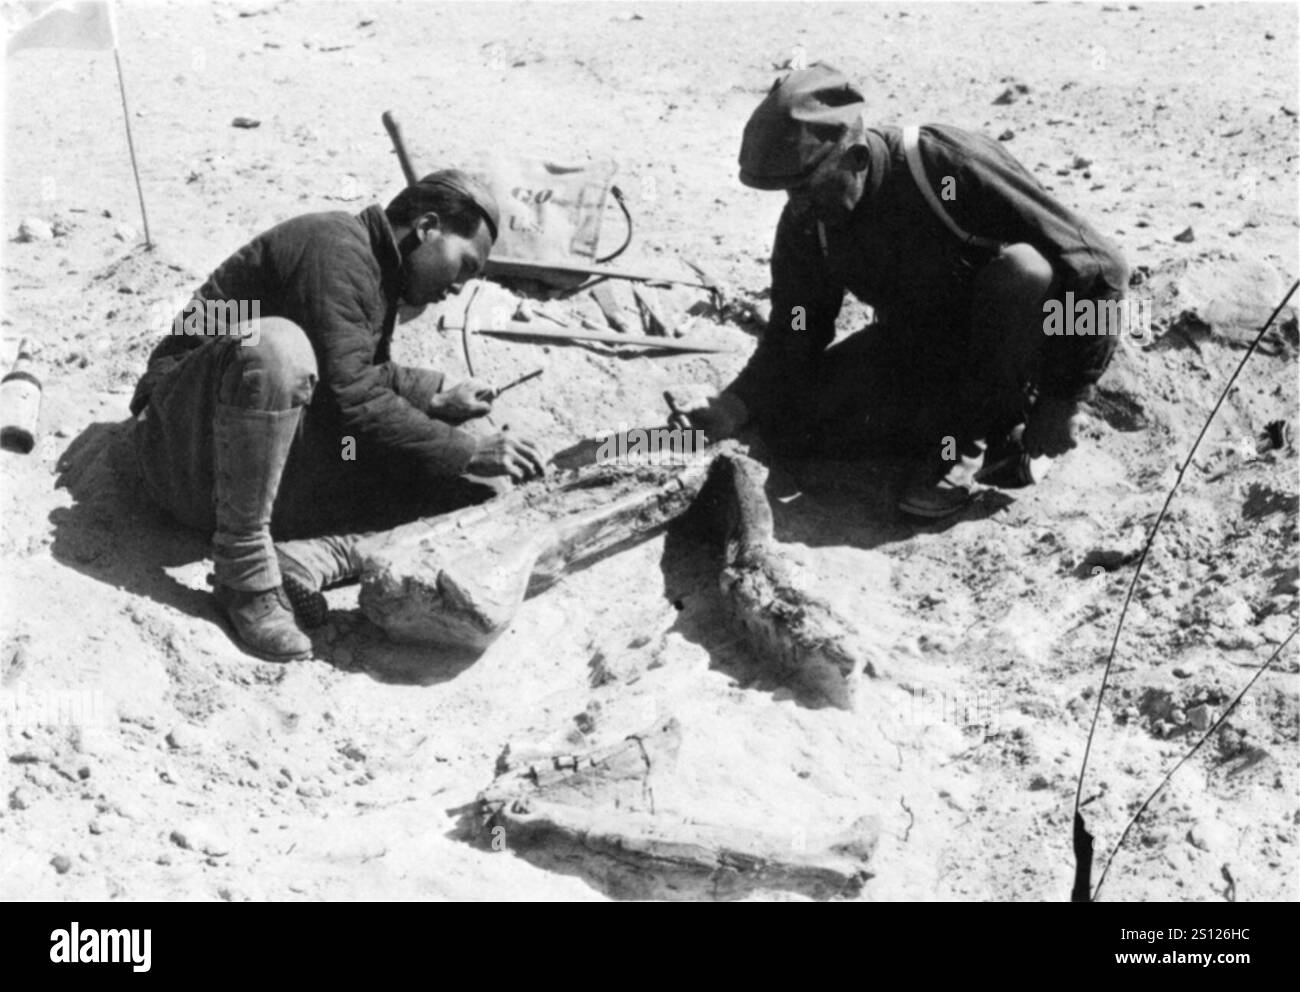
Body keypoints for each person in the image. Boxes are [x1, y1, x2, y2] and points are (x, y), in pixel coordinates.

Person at [669, 64, 1129, 518]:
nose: (797, 207)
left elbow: (1101, 268)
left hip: (1016, 347)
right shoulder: (811, 221)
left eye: (806, 189)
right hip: (924, 349)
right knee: (793, 426)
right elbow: (797, 329)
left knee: (1023, 271)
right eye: (788, 193)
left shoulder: (945, 168)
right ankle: (973, 436)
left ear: (856, 160)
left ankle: (976, 439)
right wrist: (734, 404)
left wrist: (1066, 396)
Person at [126, 171, 549, 660]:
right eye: (464, 265)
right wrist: (468, 449)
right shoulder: (333, 245)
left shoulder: (378, 269)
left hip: (237, 458)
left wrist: (435, 400)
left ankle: (307, 559)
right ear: (427, 226)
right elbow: (351, 398)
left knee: (459, 483)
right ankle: (243, 577)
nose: (457, 286)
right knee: (276, 349)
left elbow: (356, 372)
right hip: (175, 444)